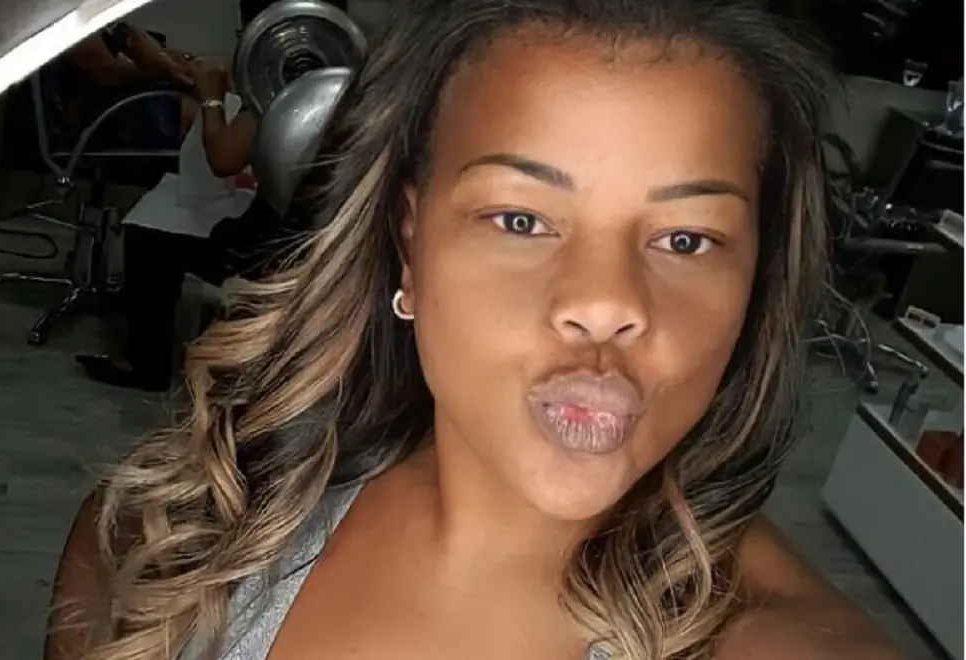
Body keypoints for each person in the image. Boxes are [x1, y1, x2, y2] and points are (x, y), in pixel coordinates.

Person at [46, 1, 903, 659]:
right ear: (410, 244)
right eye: (521, 220)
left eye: (686, 239)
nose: (606, 303)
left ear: (754, 279)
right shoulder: (173, 540)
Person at [74, 56, 270, 392]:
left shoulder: (283, 93)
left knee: (150, 234)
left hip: (273, 244)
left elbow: (223, 159)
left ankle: (146, 363)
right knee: (166, 206)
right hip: (307, 226)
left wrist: (211, 97)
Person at [48, 21, 198, 151]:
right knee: (200, 111)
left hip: (116, 103)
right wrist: (160, 71)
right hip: (84, 120)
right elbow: (101, 66)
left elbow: (128, 39)